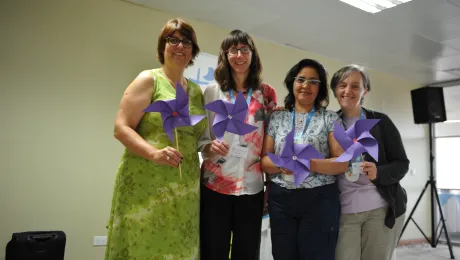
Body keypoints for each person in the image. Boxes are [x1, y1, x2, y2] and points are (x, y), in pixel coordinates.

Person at [105, 18, 207, 260]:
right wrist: (154, 153)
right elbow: (121, 127)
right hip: (148, 186)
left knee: (181, 248)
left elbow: (198, 135)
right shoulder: (148, 80)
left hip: (185, 189)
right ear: (163, 46)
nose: (179, 46)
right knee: (145, 246)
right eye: (173, 40)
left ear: (193, 51)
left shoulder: (195, 91)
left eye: (186, 42)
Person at [198, 29, 277, 260]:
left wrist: (269, 187)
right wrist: (208, 147)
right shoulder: (212, 91)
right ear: (225, 55)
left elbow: (271, 142)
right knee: (213, 250)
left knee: (247, 251)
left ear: (253, 55)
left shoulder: (265, 93)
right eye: (233, 50)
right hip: (215, 185)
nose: (239, 55)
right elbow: (202, 137)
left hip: (252, 187)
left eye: (244, 49)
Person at [260, 58, 348, 260]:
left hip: (319, 200)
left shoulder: (330, 118)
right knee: (283, 255)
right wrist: (283, 164)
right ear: (292, 83)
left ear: (320, 88)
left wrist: (307, 164)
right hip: (281, 200)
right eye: (301, 79)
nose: (306, 85)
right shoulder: (277, 118)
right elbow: (264, 161)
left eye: (313, 81)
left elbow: (342, 162)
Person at [331, 64, 409, 260]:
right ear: (335, 89)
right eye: (342, 85)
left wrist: (379, 172)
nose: (348, 91)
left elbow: (402, 163)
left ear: (365, 91)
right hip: (343, 211)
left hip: (379, 210)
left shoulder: (381, 122)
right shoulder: (328, 123)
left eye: (355, 86)